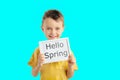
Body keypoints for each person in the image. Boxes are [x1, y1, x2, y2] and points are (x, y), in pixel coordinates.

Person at [28, 9, 78, 80]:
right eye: (49, 28)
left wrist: (71, 65)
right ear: (43, 29)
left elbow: (69, 76)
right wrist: (39, 65)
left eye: (57, 28)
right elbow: (34, 74)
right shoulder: (38, 51)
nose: (53, 32)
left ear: (63, 28)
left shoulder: (67, 50)